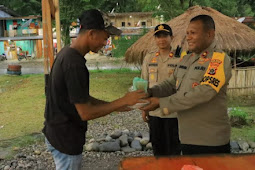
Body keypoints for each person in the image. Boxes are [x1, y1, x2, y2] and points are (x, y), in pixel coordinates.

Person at [42, 9, 147, 170]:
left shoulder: (66, 53)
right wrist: (122, 101)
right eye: (105, 38)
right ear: (91, 33)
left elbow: (81, 97)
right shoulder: (74, 64)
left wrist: (117, 105)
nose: (105, 43)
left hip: (56, 133)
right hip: (65, 139)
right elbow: (85, 112)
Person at [142, 15, 232, 155]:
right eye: (187, 33)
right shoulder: (186, 59)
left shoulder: (219, 60)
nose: (188, 37)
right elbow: (170, 84)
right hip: (186, 138)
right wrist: (150, 92)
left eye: (193, 33)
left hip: (210, 141)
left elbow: (203, 93)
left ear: (209, 34)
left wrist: (162, 103)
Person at [141, 24, 181, 156]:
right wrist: (144, 108)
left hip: (173, 112)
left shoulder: (180, 58)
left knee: (174, 149)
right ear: (155, 39)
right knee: (158, 149)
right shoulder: (149, 58)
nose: (161, 39)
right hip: (154, 112)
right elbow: (144, 84)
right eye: (158, 36)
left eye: (165, 36)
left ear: (172, 37)